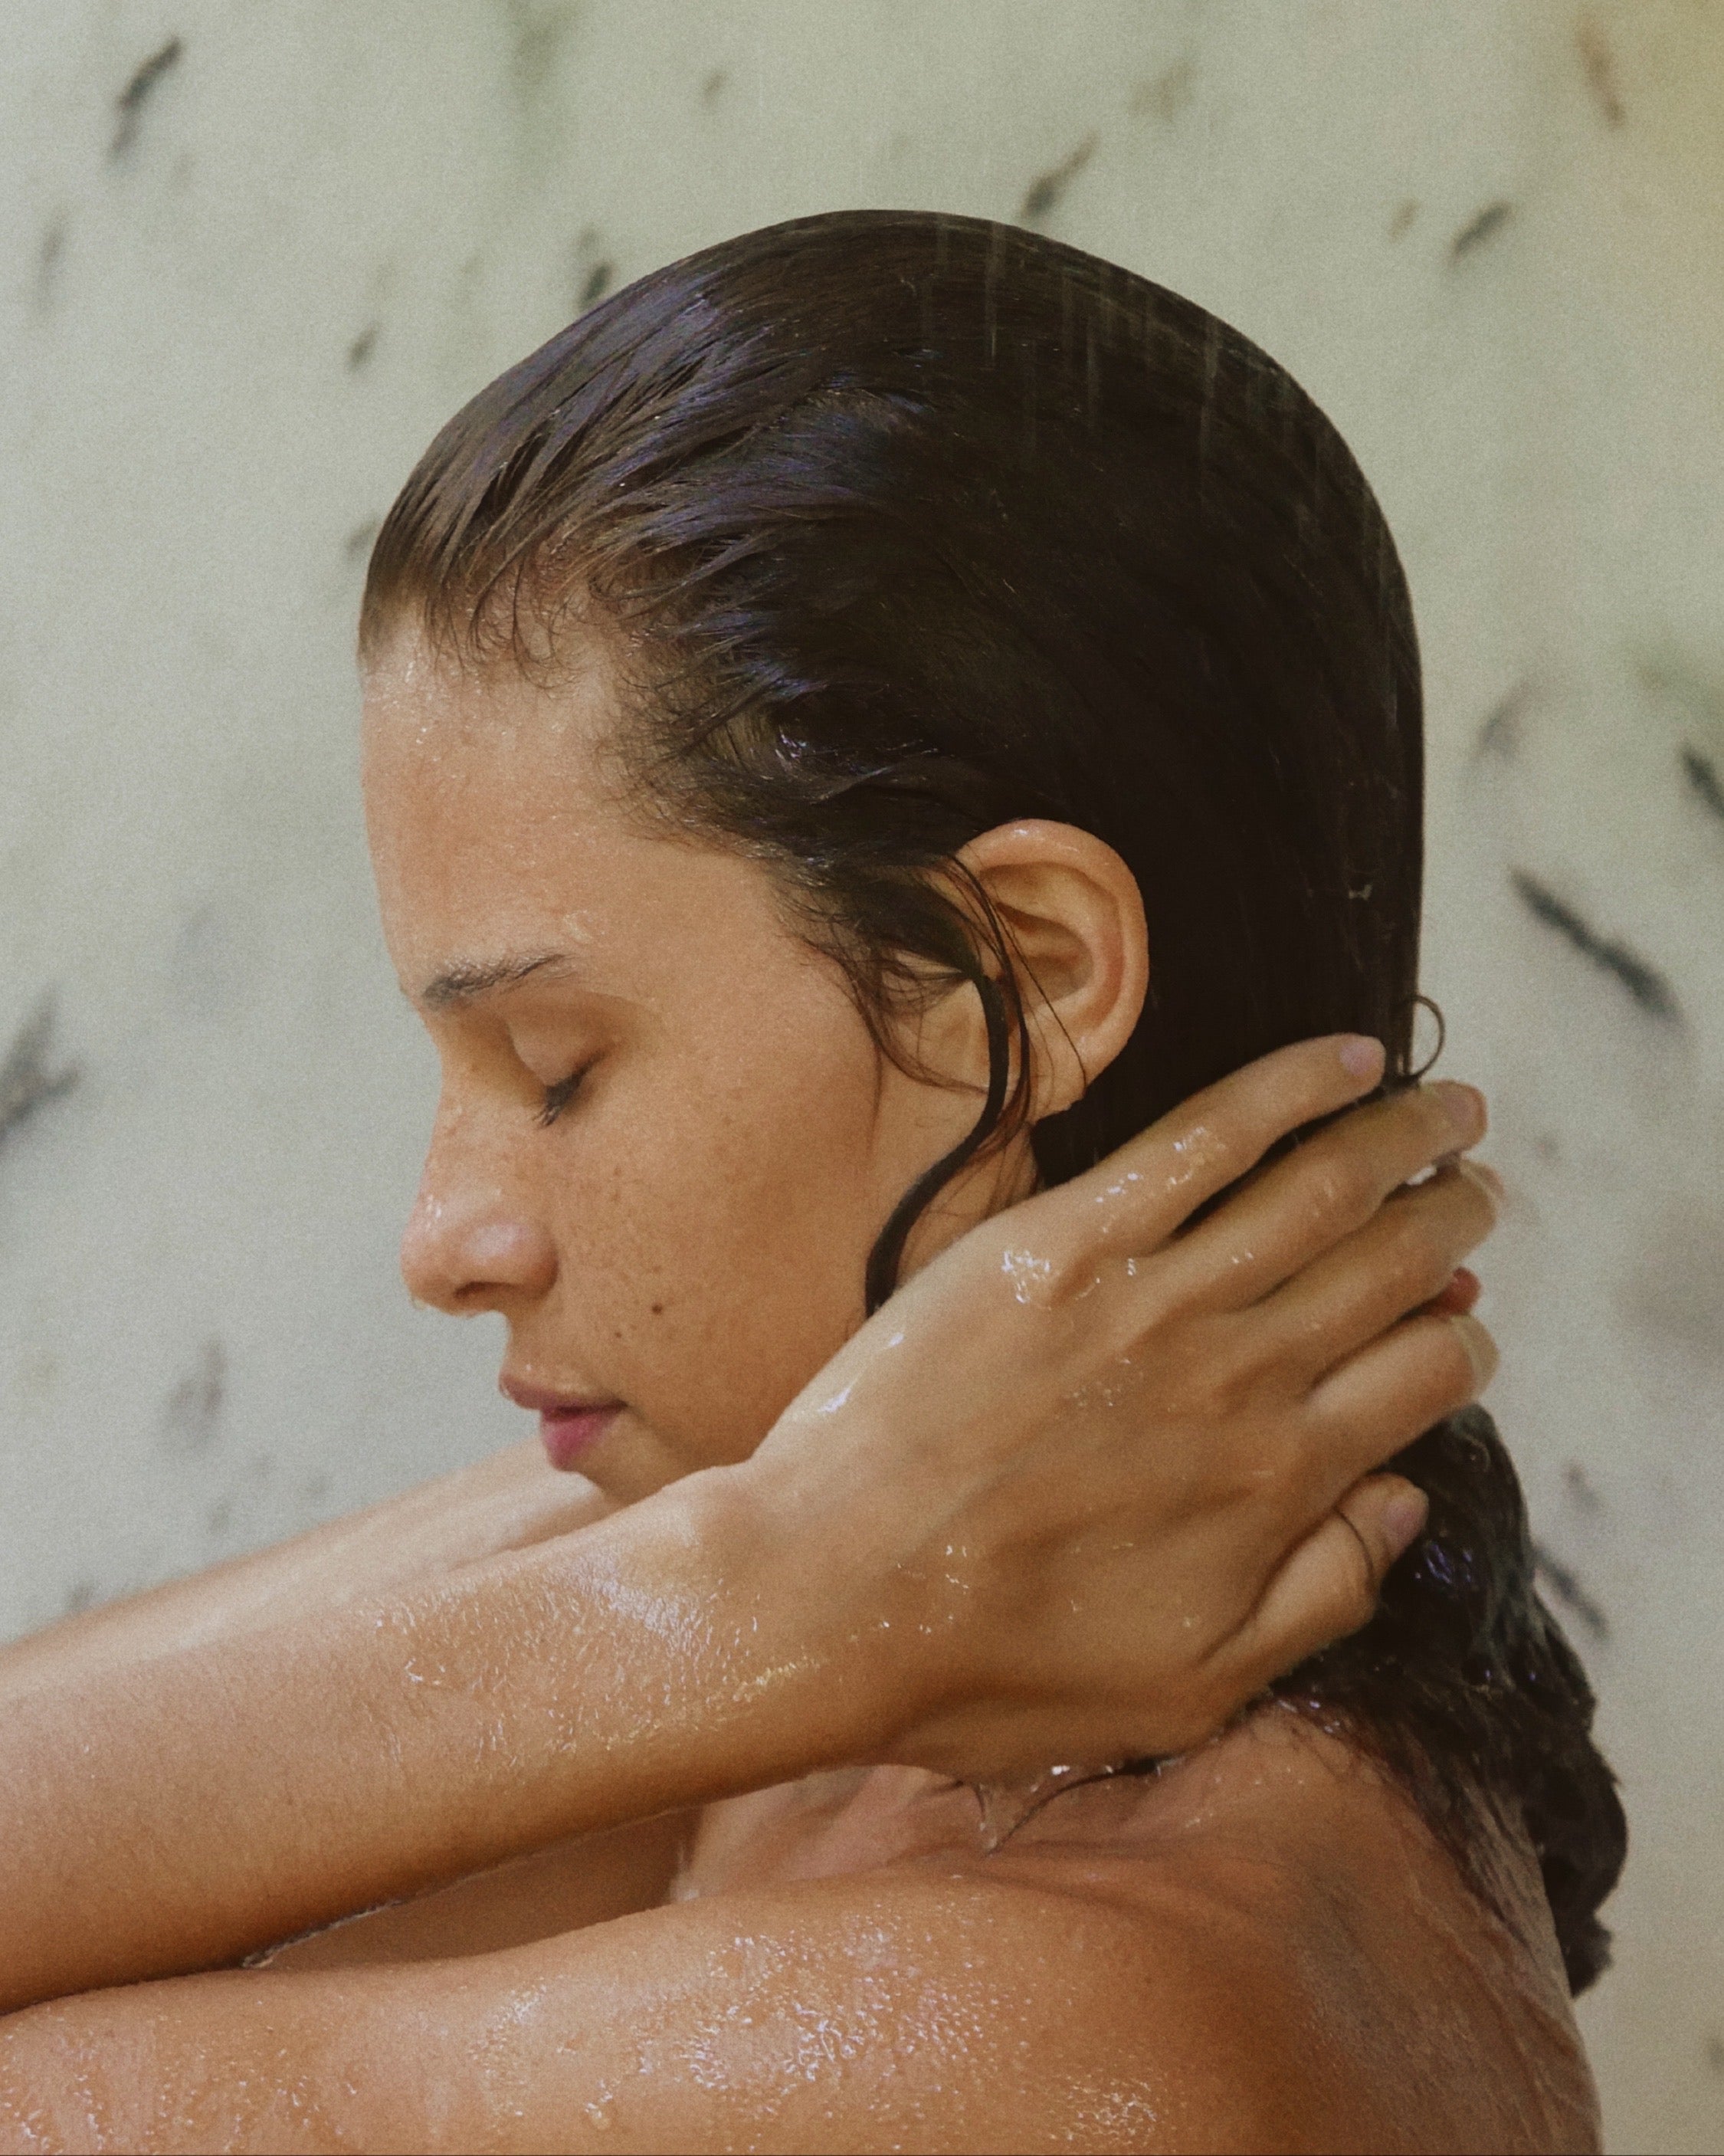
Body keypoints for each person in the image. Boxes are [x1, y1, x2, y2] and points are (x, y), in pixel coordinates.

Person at [0, 212, 1621, 2154]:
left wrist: (749, 1608)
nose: (443, 1242)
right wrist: (769, 1593)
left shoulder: (1077, 2048)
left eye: (557, 1066)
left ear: (1020, 975)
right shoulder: (838, 1611)